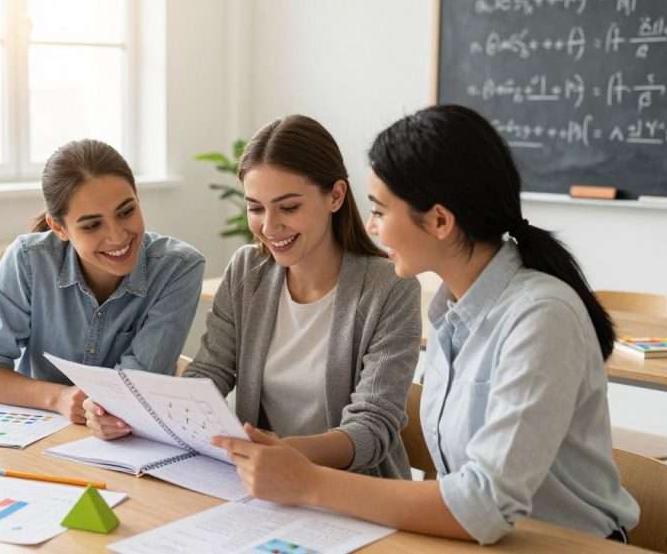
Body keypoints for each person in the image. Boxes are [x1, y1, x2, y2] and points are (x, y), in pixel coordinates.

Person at [213, 104, 639, 544]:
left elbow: (483, 504)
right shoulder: (451, 312)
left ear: (439, 221)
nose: (372, 228)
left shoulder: (542, 317)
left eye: (380, 210)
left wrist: (309, 483)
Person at [85, 114, 421, 481]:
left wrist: (279, 455)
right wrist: (133, 416)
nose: (269, 226)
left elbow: (372, 428)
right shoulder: (248, 269)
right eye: (256, 207)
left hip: (353, 493)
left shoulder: (390, 287)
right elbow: (209, 373)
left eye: (289, 207)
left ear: (336, 196)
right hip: (256, 485)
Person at [0, 139, 205, 424]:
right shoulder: (28, 260)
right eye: (91, 225)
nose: (117, 236)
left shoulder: (178, 268)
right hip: (41, 430)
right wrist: (59, 398)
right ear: (58, 228)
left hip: (127, 436)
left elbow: (135, 390)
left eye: (126, 211)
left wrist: (102, 407)